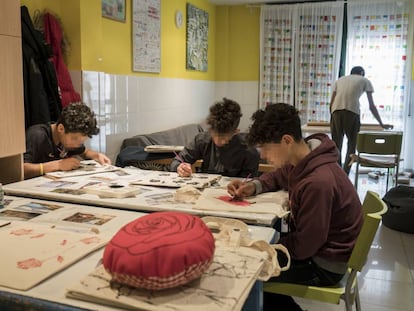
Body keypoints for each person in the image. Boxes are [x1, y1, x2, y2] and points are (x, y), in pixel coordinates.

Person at [227, 103, 363, 310]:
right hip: (319, 250)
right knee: (253, 259)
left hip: (324, 264)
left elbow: (307, 243)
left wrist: (266, 244)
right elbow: (280, 175)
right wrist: (254, 186)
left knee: (247, 272)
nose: (262, 155)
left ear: (286, 141)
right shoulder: (306, 155)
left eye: (265, 148)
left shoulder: (318, 182)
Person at [170, 98, 259, 178]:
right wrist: (180, 167)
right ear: (210, 129)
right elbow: (178, 160)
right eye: (216, 135)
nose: (219, 141)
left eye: (224, 137)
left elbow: (249, 179)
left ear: (236, 131)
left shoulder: (248, 150)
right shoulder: (202, 140)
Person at [330, 66, 393, 174]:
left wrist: (332, 118)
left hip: (335, 111)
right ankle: (345, 174)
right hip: (352, 112)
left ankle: (336, 174)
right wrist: (381, 124)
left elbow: (332, 102)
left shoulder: (339, 80)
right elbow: (371, 106)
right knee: (352, 144)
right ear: (362, 73)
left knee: (336, 145)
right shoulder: (365, 80)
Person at [24, 103, 111, 179]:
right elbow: (20, 169)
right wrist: (58, 165)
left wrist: (96, 155)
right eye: (75, 139)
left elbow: (84, 152)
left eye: (81, 142)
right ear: (61, 128)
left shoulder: (69, 141)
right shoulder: (37, 135)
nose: (77, 145)